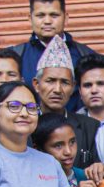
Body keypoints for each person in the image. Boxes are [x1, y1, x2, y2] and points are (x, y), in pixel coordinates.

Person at [10, 0, 98, 94]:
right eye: (40, 15)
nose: (47, 21)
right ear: (30, 19)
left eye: (54, 15)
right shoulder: (15, 57)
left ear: (65, 18)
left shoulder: (86, 56)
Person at [31, 34, 99, 169]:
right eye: (50, 81)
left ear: (73, 87)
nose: (57, 89)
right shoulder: (25, 124)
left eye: (64, 82)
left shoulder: (89, 127)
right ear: (36, 84)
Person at [76, 52, 104, 124]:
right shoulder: (71, 125)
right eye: (87, 85)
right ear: (80, 92)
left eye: (100, 84)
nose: (94, 91)